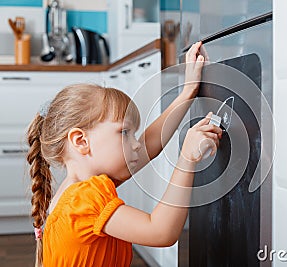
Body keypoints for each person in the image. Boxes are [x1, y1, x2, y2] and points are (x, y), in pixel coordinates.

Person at [26, 41, 222, 267]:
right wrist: (188, 158)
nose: (136, 144)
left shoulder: (76, 190)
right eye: (124, 133)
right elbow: (161, 232)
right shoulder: (86, 198)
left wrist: (188, 92)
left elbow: (148, 144)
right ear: (81, 141)